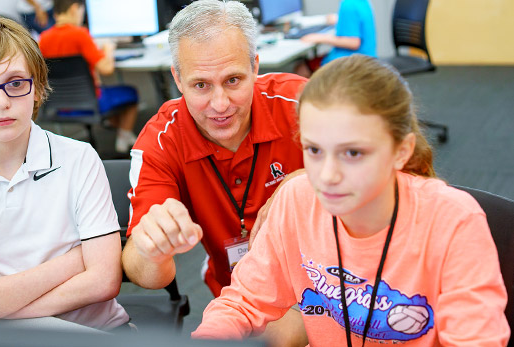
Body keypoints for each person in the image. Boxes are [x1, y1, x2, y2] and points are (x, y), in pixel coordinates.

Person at [193, 55, 510, 346]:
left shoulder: (453, 221)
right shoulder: (297, 199)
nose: (327, 176)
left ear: (401, 151)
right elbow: (243, 301)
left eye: (353, 153)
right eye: (314, 150)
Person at [0, 17, 129, 330]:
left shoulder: (79, 159)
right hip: (4, 338)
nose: (1, 102)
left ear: (38, 87)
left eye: (16, 83)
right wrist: (74, 261)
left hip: (95, 331)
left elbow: (103, 282)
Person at [121, 0, 307, 345]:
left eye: (233, 80)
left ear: (255, 66)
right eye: (201, 85)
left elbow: (394, 180)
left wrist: (303, 182)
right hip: (237, 297)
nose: (220, 105)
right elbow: (144, 274)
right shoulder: (161, 141)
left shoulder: (302, 104)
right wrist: (151, 248)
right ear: (177, 78)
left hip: (330, 288)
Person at [38, 0, 139, 153]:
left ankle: (121, 133)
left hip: (59, 105)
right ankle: (124, 138)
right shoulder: (80, 34)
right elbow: (106, 69)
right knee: (131, 92)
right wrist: (108, 49)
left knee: (112, 97)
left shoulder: (43, 38)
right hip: (91, 102)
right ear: (74, 9)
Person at [296, 0, 376, 76]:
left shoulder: (348, 4)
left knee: (301, 69)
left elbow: (354, 42)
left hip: (350, 62)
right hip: (366, 59)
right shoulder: (360, 2)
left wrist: (320, 38)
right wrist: (339, 19)